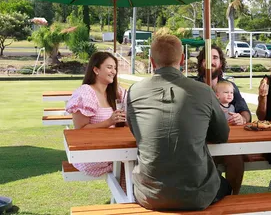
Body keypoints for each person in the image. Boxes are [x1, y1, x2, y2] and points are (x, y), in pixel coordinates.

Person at [127, 35, 231, 211]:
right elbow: (222, 135)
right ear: (182, 59)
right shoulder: (204, 91)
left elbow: (136, 132)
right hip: (198, 194)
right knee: (226, 186)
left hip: (149, 194)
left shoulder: (134, 92)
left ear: (152, 61)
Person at [197, 44, 251, 194]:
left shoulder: (230, 86)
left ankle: (233, 200)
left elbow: (245, 111)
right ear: (201, 62)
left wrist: (242, 119)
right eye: (207, 58)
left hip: (226, 142)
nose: (211, 62)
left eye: (215, 58)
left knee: (236, 158)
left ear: (221, 62)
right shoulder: (193, 86)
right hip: (200, 144)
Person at [66, 51, 126, 177]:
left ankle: (129, 196)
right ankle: (130, 195)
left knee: (137, 159)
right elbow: (80, 129)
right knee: (133, 161)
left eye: (115, 68)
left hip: (113, 148)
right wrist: (109, 122)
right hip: (92, 154)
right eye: (109, 67)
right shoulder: (85, 93)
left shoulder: (116, 92)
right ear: (96, 70)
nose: (114, 71)